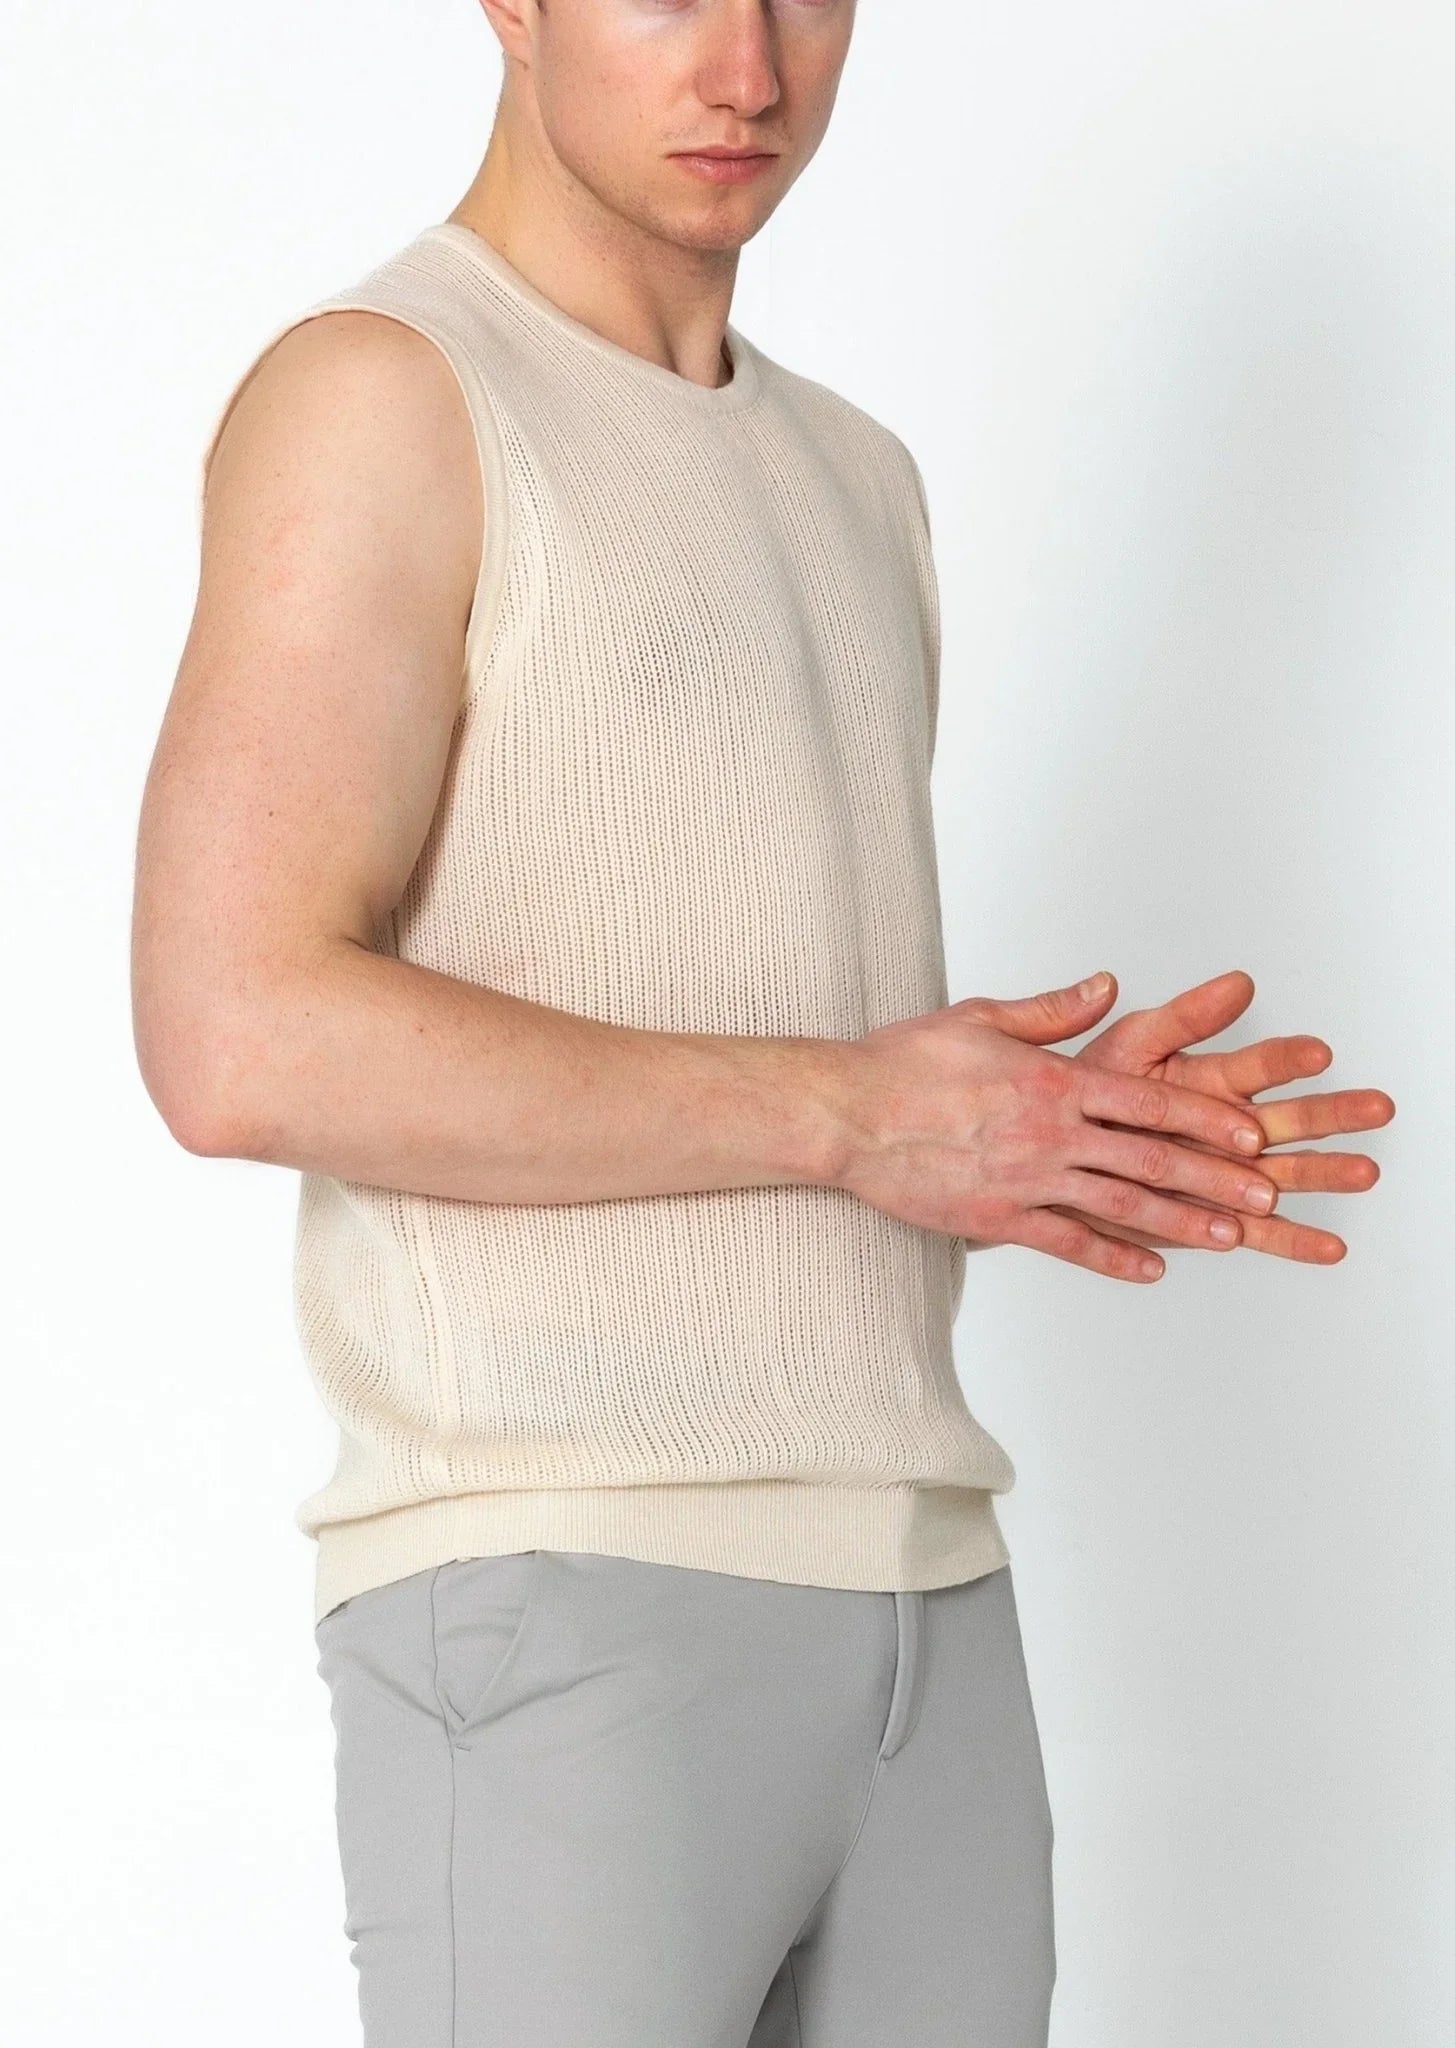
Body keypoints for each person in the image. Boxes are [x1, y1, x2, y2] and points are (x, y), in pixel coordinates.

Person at [130, 2, 1394, 2042]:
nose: (746, 67)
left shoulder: (856, 477)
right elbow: (236, 1033)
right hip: (564, 1585)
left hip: (928, 1606)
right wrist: (859, 1117)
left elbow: (756, 1017)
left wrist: (1025, 1127)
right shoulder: (386, 394)